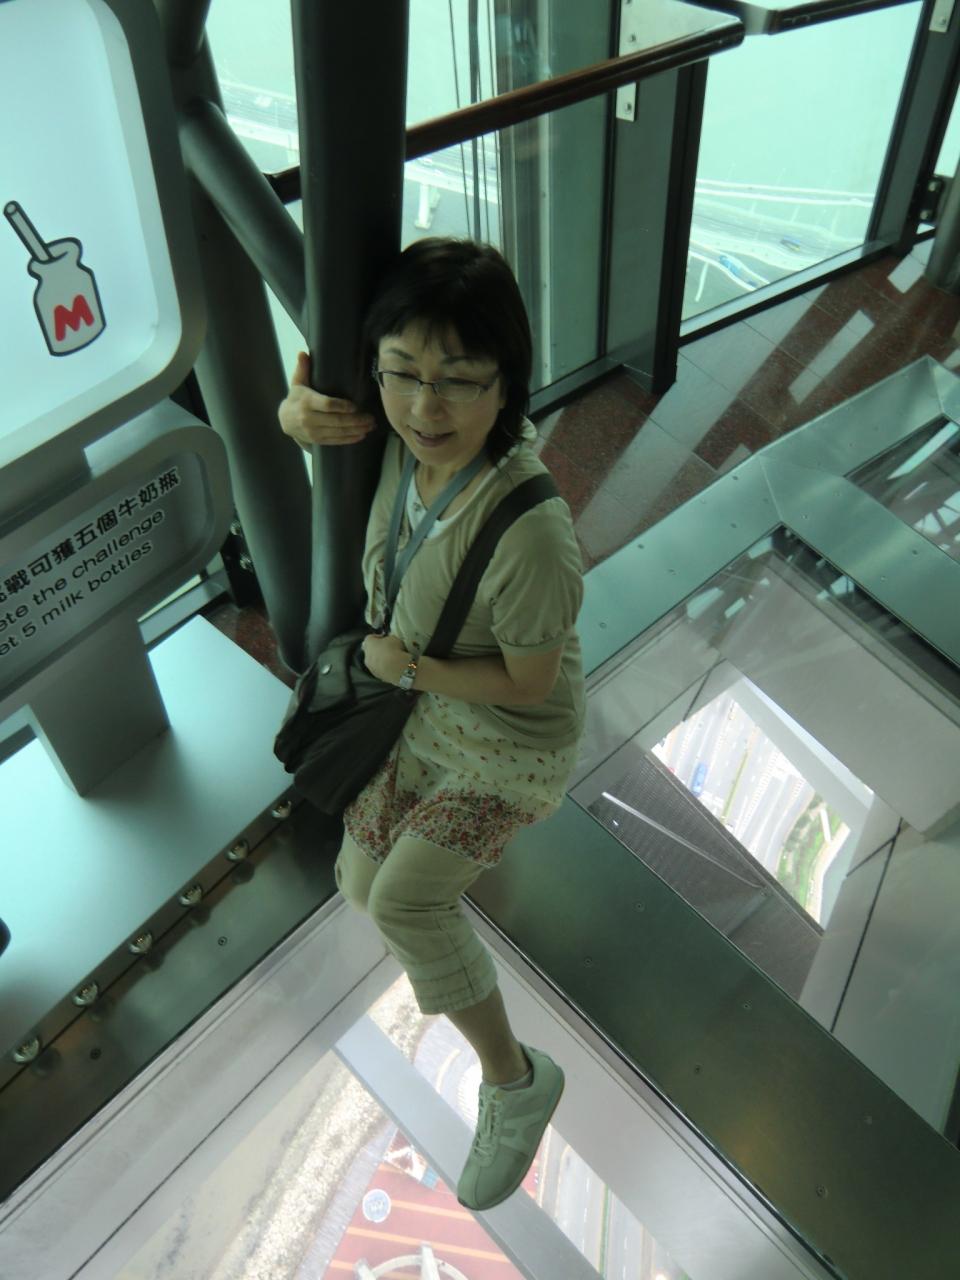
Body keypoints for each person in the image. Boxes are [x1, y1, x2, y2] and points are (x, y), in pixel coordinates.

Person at [277, 237, 586, 1211]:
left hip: (508, 745)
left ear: (507, 383)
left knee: (406, 903)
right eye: (402, 371)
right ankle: (446, 932)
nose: (425, 406)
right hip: (423, 712)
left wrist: (410, 668)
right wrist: (294, 412)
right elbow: (318, 418)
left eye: (458, 378)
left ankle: (517, 1082)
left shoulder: (531, 532)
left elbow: (532, 682)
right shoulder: (400, 445)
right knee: (358, 883)